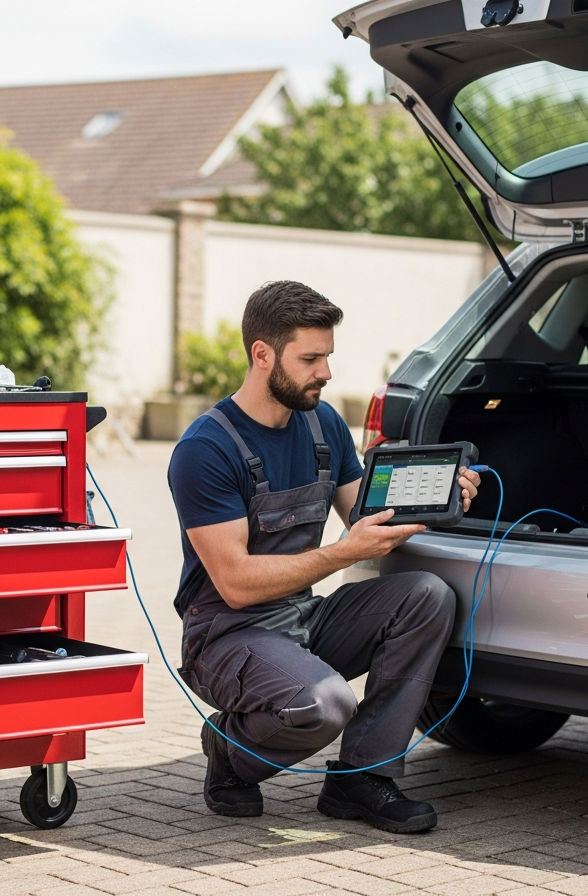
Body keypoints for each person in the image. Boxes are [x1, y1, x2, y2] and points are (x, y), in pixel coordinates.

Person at [167, 280, 480, 834]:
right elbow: (236, 582)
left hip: (300, 617)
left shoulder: (322, 424)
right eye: (311, 359)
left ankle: (361, 778)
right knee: (325, 703)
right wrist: (341, 553)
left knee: (426, 596)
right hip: (226, 632)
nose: (326, 373)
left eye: (327, 357)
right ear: (262, 355)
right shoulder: (205, 450)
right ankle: (229, 750)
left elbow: (366, 520)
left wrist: (437, 498)